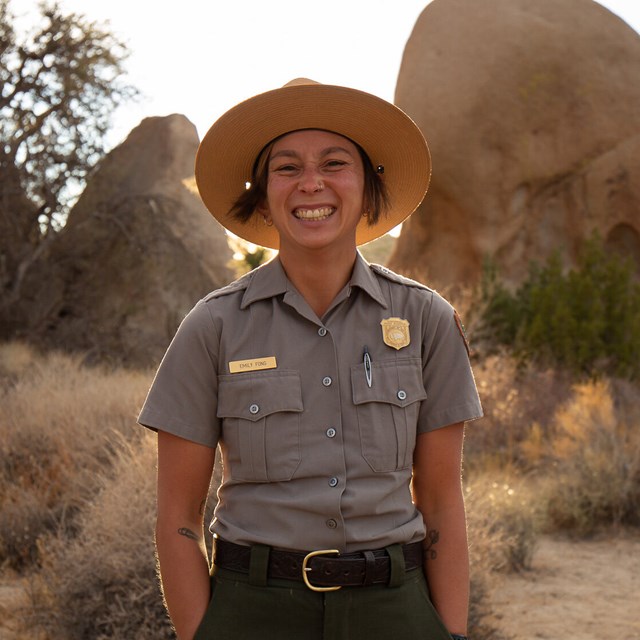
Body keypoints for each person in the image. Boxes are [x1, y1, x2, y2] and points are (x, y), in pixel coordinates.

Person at [138, 78, 482, 640]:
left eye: (334, 162)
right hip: (253, 610)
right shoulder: (213, 326)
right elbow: (177, 518)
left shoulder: (427, 320)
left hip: (394, 610)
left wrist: (452, 633)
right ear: (264, 192)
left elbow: (442, 500)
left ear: (369, 188)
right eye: (287, 167)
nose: (311, 183)